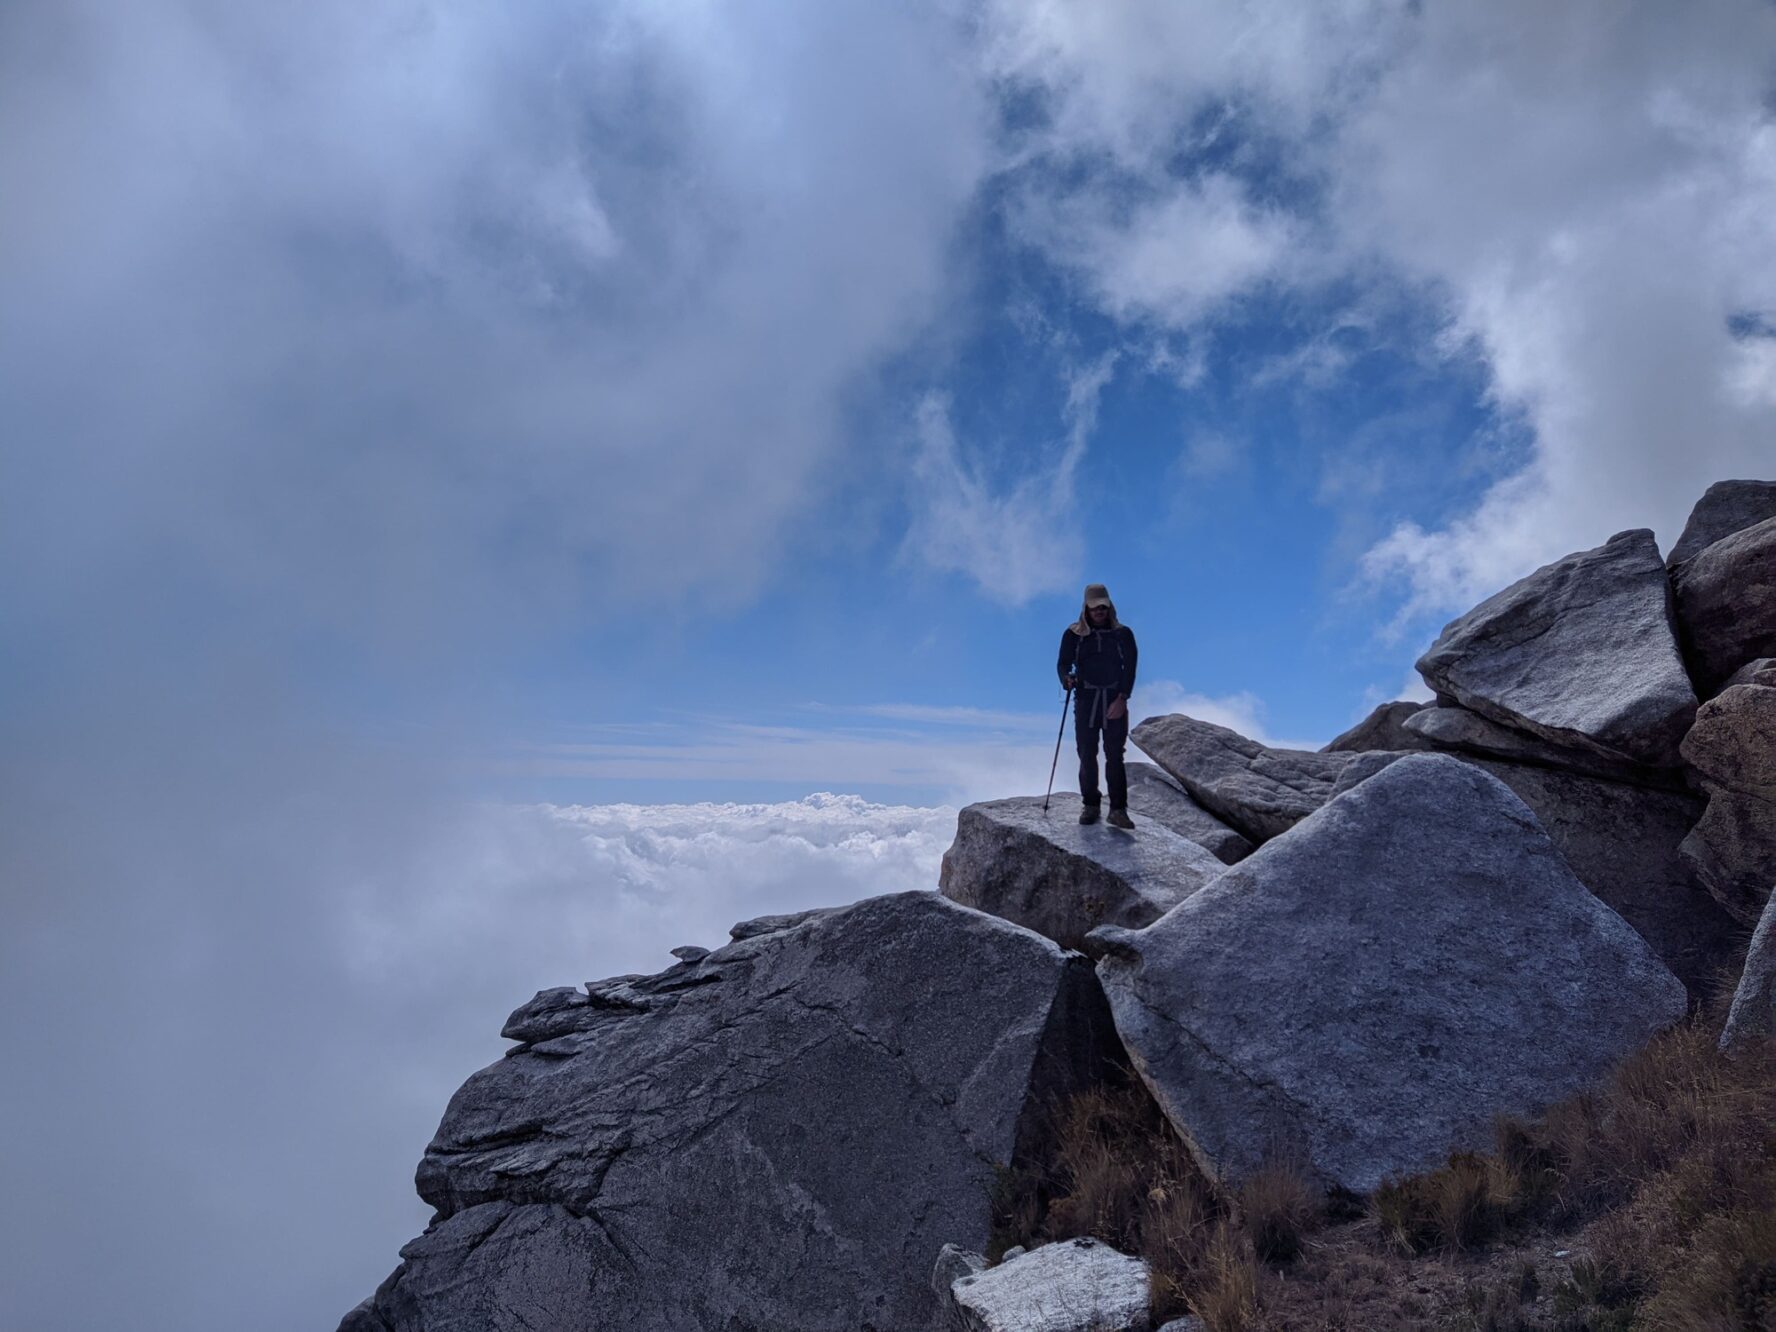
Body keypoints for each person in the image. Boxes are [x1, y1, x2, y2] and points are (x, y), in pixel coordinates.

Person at [1057, 583, 1137, 828]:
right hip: (1086, 699)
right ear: (1086, 609)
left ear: (1109, 606)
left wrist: (1122, 698)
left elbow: (1130, 669)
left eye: (1103, 606)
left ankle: (1118, 809)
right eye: (1095, 607)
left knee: (1114, 755)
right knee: (1086, 753)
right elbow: (1063, 664)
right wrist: (1066, 679)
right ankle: (1091, 804)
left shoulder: (1123, 634)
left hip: (1114, 699)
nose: (1100, 611)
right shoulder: (1074, 634)